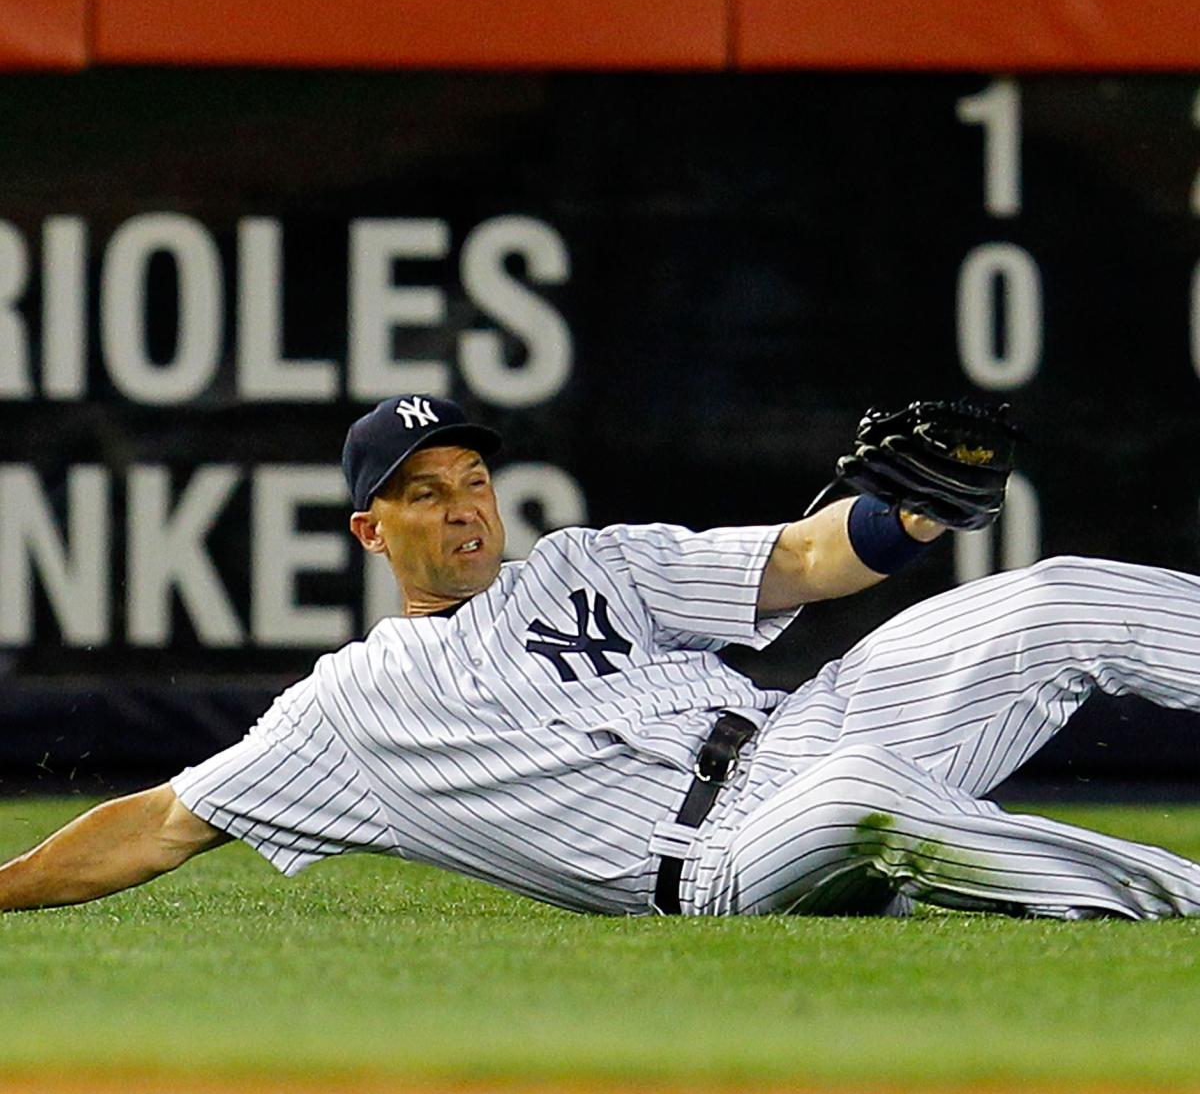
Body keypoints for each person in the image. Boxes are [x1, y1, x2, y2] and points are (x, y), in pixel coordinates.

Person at [3, 393, 1200, 920]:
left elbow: (802, 560)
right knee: (860, 800)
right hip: (727, 857)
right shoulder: (351, 708)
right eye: (426, 494)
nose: (465, 506)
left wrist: (914, 517)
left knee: (1060, 596)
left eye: (474, 479)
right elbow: (160, 823)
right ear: (374, 530)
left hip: (807, 728)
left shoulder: (586, 562)